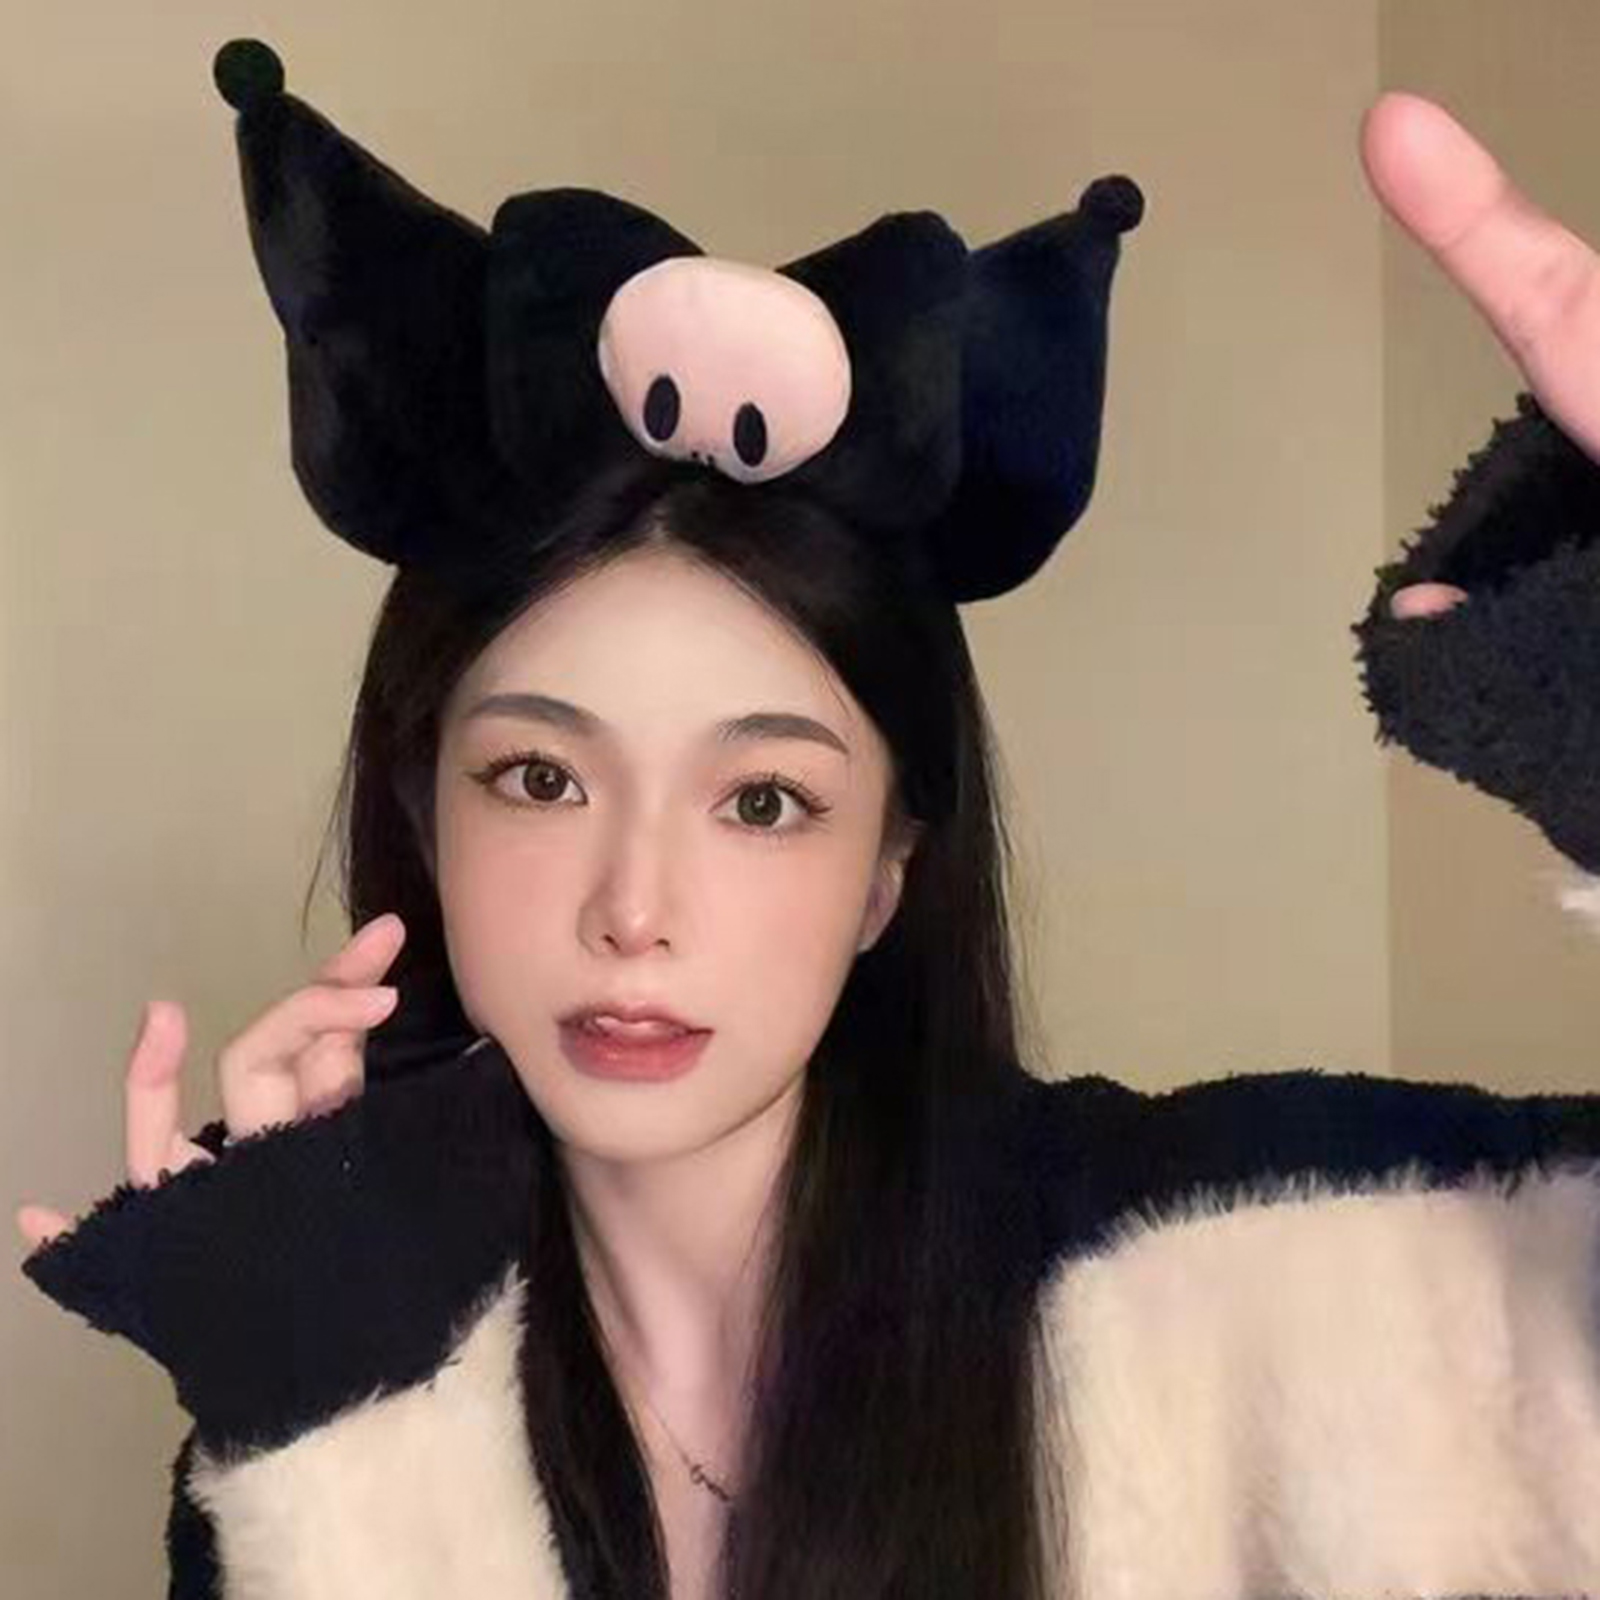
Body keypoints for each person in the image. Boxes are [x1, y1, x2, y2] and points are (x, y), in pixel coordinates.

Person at [15, 39, 1600, 1600]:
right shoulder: (331, 1391)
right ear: (424, 811)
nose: (636, 910)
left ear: (890, 865)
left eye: (764, 800)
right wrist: (333, 1401)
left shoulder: (1247, 1254)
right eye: (542, 778)